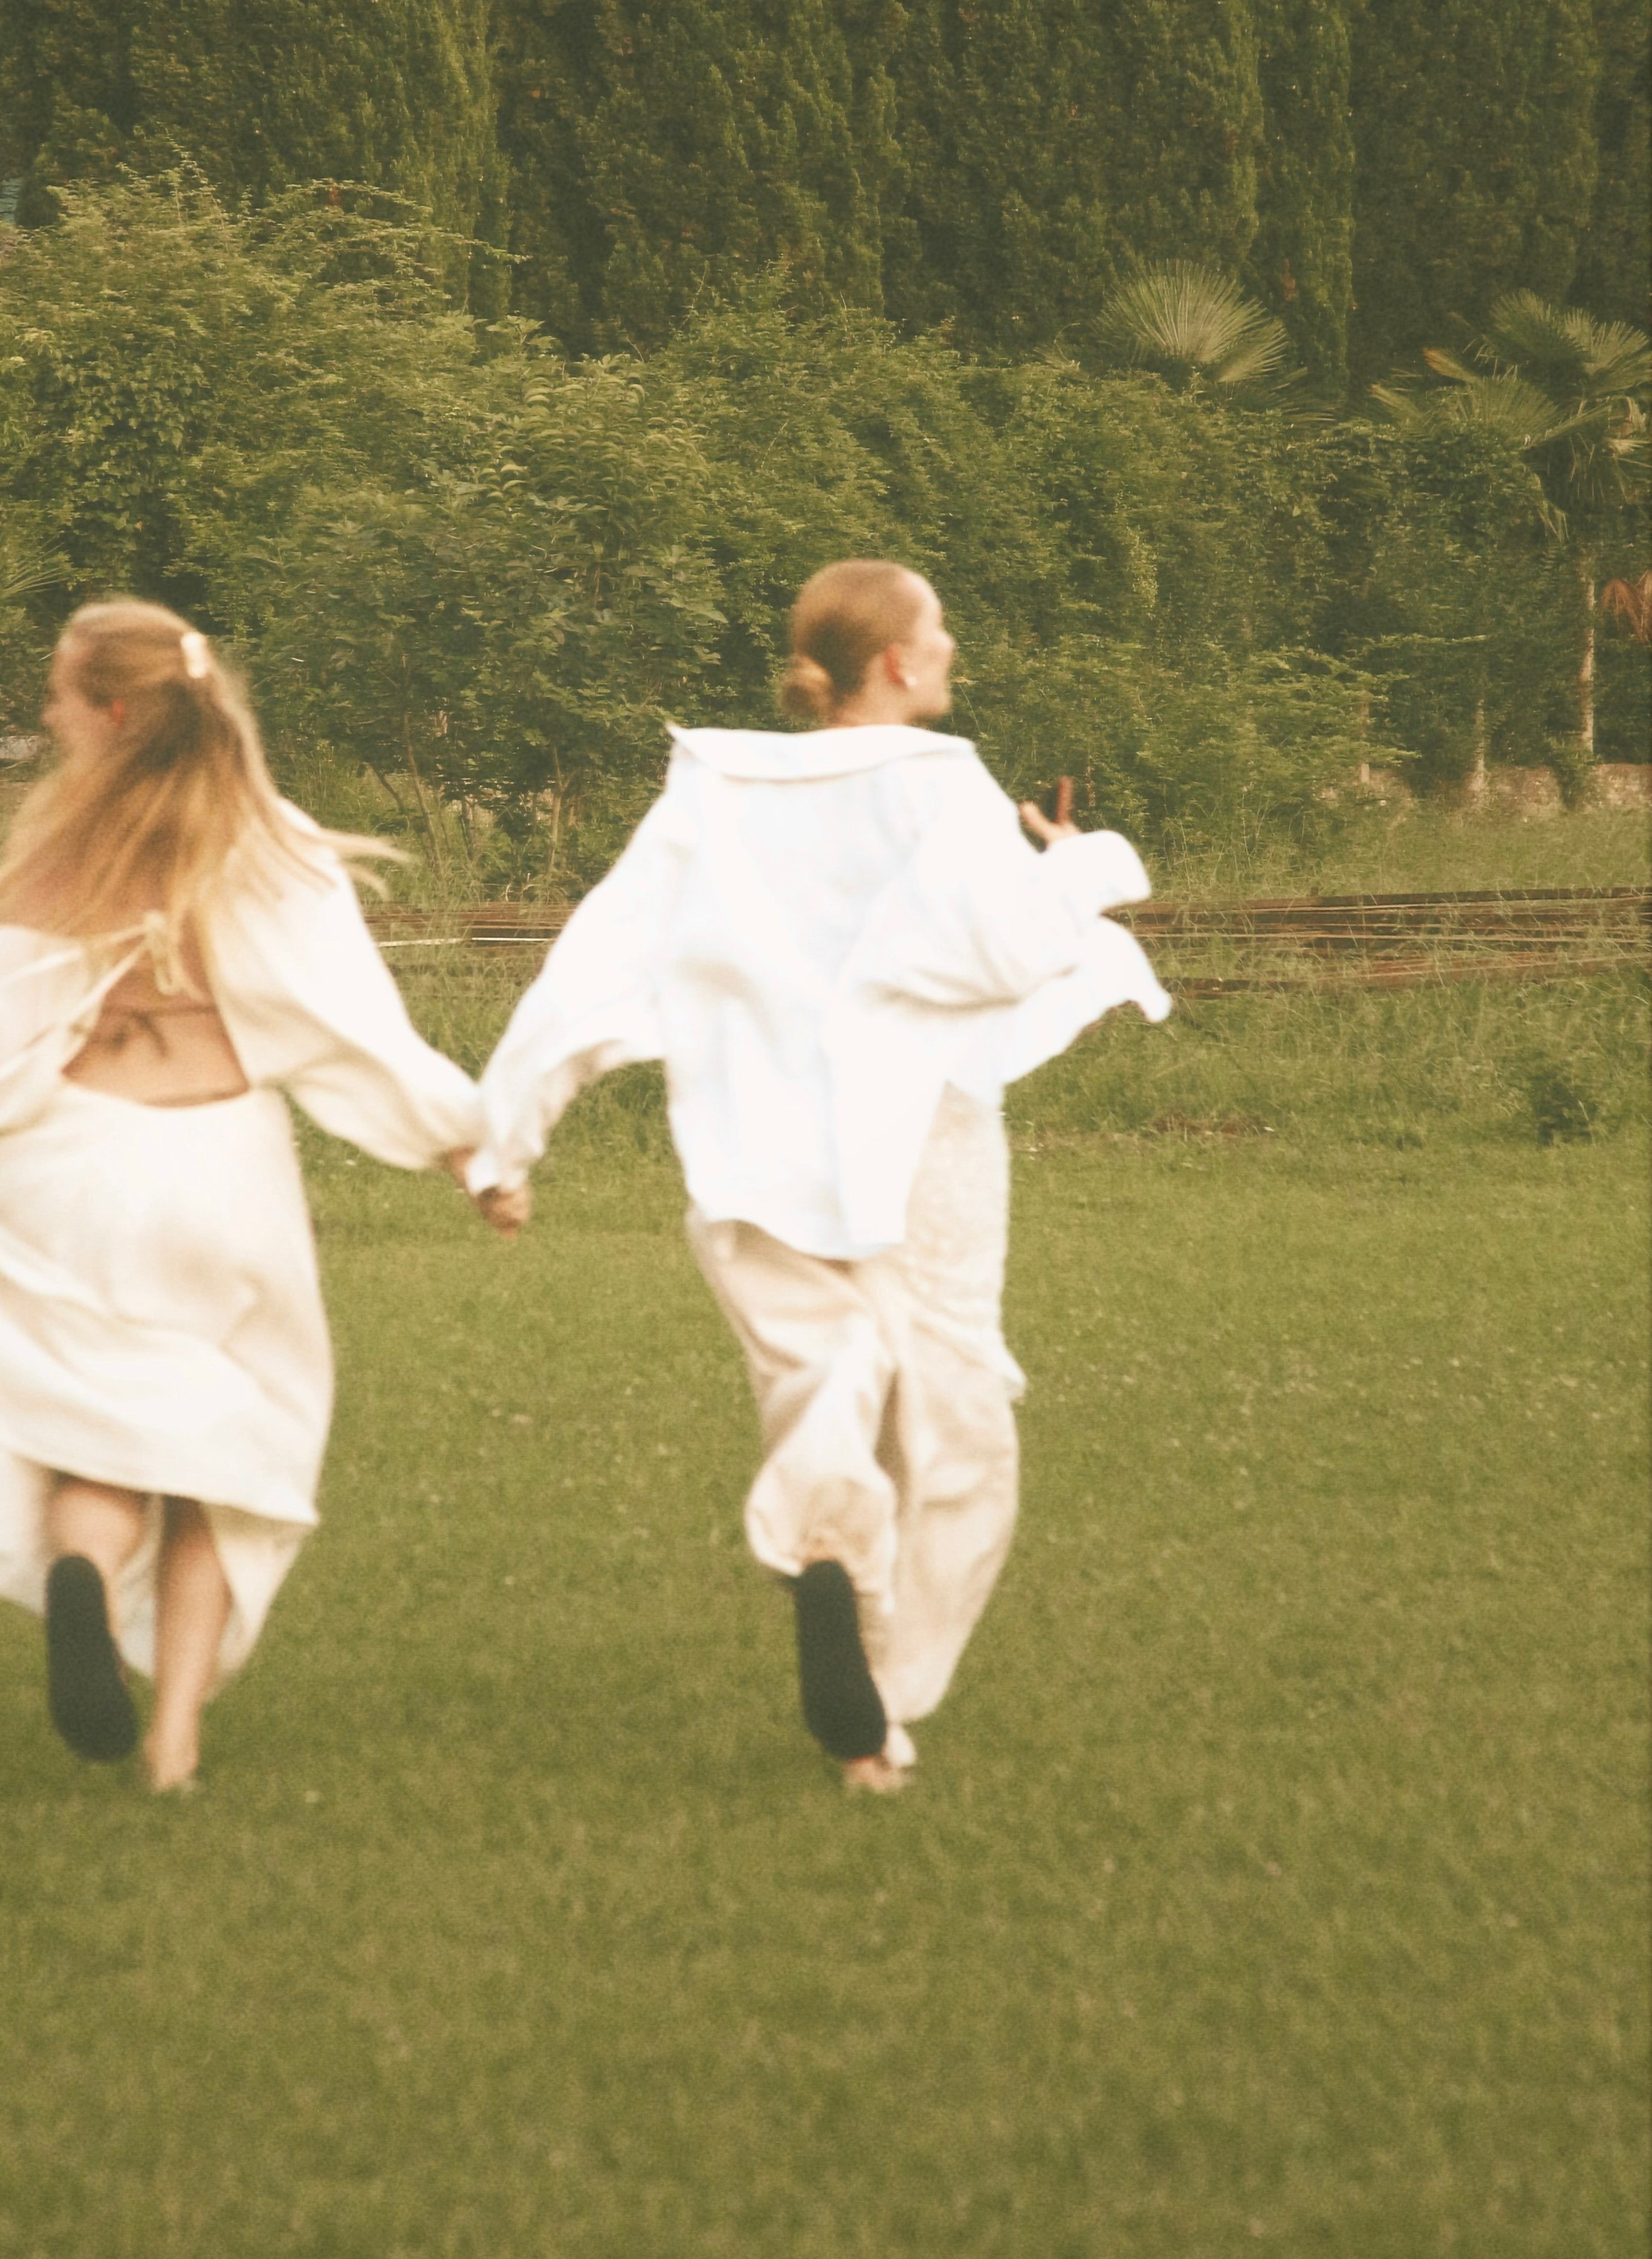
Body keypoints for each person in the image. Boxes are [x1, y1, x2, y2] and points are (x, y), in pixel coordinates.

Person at [464, 561, 1169, 1793]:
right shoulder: (940, 788)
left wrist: (505, 1142)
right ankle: (884, 1713)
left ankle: (833, 1555)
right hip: (919, 1144)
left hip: (758, 1148)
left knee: (825, 1380)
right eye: (939, 629)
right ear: (896, 661)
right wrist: (1090, 864)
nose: (952, 647)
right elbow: (1001, 952)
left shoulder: (713, 791)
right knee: (953, 1416)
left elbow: (598, 963)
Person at [0, 599, 519, 1794]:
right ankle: (172, 1741)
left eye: (58, 695)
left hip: (73, 1173)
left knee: (97, 1432)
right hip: (219, 1173)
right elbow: (357, 1030)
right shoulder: (268, 847)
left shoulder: (61, 852)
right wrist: (471, 1151)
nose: (46, 714)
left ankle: (81, 1565)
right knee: (224, 1448)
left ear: (111, 713)